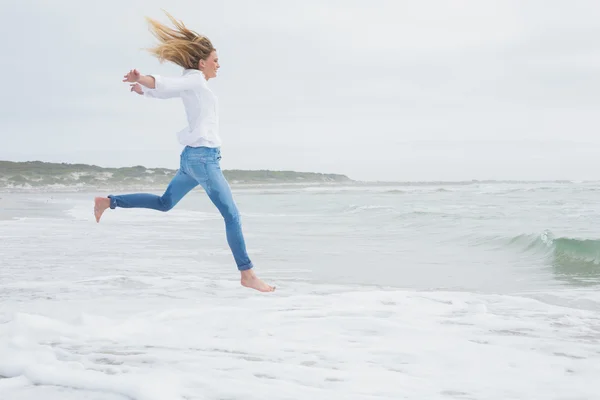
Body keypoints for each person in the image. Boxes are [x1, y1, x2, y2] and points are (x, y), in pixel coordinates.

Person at [93, 11, 275, 292]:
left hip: (192, 160)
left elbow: (167, 90)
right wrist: (143, 78)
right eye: (215, 60)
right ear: (202, 63)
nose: (219, 65)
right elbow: (167, 83)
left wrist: (143, 88)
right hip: (203, 159)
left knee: (166, 203)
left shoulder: (193, 81)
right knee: (232, 216)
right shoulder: (196, 80)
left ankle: (109, 201)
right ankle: (247, 274)